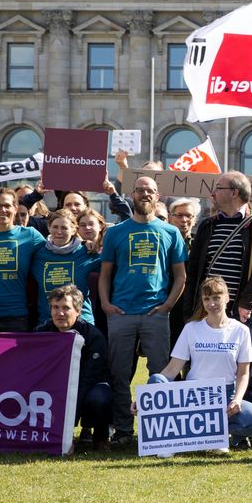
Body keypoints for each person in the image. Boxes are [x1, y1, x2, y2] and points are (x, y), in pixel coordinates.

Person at [98, 173, 188, 446]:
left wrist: (168, 305)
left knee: (160, 373)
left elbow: (181, 276)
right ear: (132, 195)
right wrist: (105, 304)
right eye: (139, 190)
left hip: (156, 314)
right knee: (120, 374)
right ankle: (124, 431)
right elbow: (105, 274)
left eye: (149, 191)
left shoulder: (170, 232)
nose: (144, 194)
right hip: (121, 313)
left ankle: (157, 430)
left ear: (157, 196)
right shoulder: (115, 232)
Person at [185, 171, 252, 412]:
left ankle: (243, 425)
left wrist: (246, 302)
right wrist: (192, 305)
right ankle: (206, 418)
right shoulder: (208, 224)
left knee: (245, 367)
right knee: (203, 362)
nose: (213, 192)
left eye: (219, 187)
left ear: (234, 192)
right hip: (207, 309)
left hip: (243, 310)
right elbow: (194, 269)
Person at [151, 276, 252, 450]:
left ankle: (214, 433)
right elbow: (171, 369)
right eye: (206, 299)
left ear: (227, 298)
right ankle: (174, 440)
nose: (211, 303)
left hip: (225, 395)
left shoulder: (241, 330)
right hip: (193, 396)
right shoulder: (191, 328)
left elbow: (243, 374)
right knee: (156, 380)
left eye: (216, 298)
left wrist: (236, 400)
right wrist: (146, 399)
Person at [39, 285, 112, 451]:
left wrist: (68, 426)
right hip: (55, 387)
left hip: (88, 385)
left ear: (78, 311)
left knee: (99, 397)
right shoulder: (42, 334)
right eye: (55, 308)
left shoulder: (94, 337)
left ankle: (101, 436)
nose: (60, 313)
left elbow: (88, 378)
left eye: (66, 308)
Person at [0, 187, 46, 332]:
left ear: (15, 208)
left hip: (16, 315)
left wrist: (84, 243)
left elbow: (56, 247)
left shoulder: (30, 235)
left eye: (7, 205)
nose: (3, 210)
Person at [31, 209, 102, 325]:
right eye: (55, 227)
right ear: (48, 227)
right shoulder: (37, 254)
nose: (59, 232)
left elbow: (114, 266)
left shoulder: (87, 252)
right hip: (48, 322)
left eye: (64, 228)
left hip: (81, 322)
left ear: (74, 229)